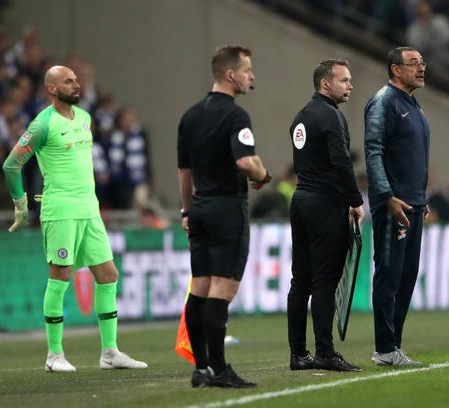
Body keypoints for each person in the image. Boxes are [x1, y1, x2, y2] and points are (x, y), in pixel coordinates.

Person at [1, 65, 147, 372]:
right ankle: (54, 355)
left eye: (77, 80)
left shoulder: (84, 118)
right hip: (61, 211)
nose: (76, 85)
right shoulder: (42, 124)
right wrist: (20, 203)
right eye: (69, 81)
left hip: (89, 209)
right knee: (60, 277)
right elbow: (11, 165)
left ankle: (110, 352)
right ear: (52, 89)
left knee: (108, 275)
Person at [177, 45, 271, 389]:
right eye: (247, 70)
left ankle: (201, 369)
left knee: (199, 287)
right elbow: (246, 162)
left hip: (199, 207)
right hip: (227, 208)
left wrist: (186, 209)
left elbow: (184, 172)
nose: (252, 76)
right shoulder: (235, 116)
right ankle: (219, 369)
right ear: (230, 75)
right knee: (221, 290)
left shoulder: (189, 116)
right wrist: (263, 175)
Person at [287, 59, 365, 373]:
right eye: (344, 80)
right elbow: (341, 163)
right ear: (325, 84)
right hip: (325, 205)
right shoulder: (332, 117)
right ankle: (325, 352)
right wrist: (355, 200)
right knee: (324, 282)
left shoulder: (301, 117)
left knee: (299, 282)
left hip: (301, 201)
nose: (350, 85)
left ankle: (298, 353)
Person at [364, 47, 430, 367]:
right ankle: (384, 349)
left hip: (413, 203)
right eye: (413, 63)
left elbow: (411, 158)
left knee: (406, 279)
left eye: (422, 63)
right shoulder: (384, 102)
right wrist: (387, 196)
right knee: (389, 276)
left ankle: (394, 346)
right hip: (394, 206)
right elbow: (373, 151)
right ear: (395, 69)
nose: (421, 68)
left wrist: (421, 196)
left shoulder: (413, 104)